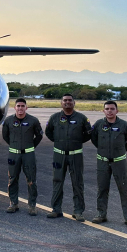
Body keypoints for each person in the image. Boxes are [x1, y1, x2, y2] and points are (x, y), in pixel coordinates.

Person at [45, 93, 92, 221]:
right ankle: (56, 209)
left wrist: (76, 141)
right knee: (57, 181)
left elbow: (89, 133)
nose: (67, 102)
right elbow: (48, 131)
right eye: (65, 100)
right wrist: (59, 141)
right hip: (59, 155)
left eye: (70, 100)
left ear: (74, 102)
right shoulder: (55, 117)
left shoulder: (81, 118)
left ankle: (78, 211)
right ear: (61, 103)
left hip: (75, 155)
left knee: (77, 183)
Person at [91, 101, 127, 227]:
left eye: (112, 109)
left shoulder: (124, 125)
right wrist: (103, 150)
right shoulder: (99, 124)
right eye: (107, 109)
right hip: (102, 162)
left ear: (117, 111)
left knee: (124, 189)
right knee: (102, 189)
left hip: (119, 162)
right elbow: (94, 139)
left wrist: (119, 151)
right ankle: (101, 214)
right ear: (103, 111)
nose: (109, 111)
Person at [2, 98, 43, 215]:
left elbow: (39, 136)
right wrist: (15, 145)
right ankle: (13, 203)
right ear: (14, 107)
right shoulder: (9, 121)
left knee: (31, 180)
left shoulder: (33, 120)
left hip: (28, 154)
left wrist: (30, 146)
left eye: (22, 106)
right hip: (13, 154)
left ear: (26, 108)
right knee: (13, 179)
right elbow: (5, 136)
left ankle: (32, 206)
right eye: (18, 106)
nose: (20, 108)